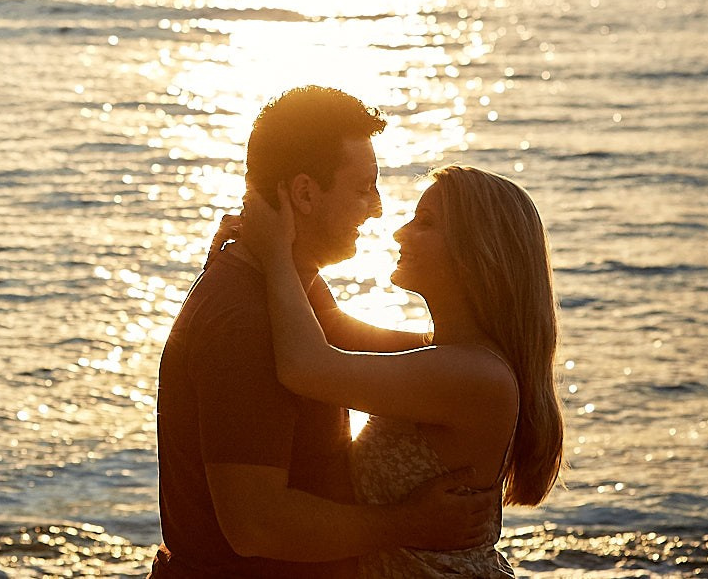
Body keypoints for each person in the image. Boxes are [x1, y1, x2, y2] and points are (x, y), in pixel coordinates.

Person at [155, 87, 495, 579]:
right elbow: (257, 524)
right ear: (305, 194)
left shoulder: (286, 291)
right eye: (363, 188)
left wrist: (478, 358)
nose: (377, 209)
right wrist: (408, 522)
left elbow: (342, 336)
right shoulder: (245, 321)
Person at [238, 164, 564, 579]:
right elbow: (334, 329)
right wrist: (286, 249)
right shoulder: (450, 357)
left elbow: (304, 366)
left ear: (476, 253)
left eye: (425, 222)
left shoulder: (472, 376)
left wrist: (274, 254)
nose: (400, 232)